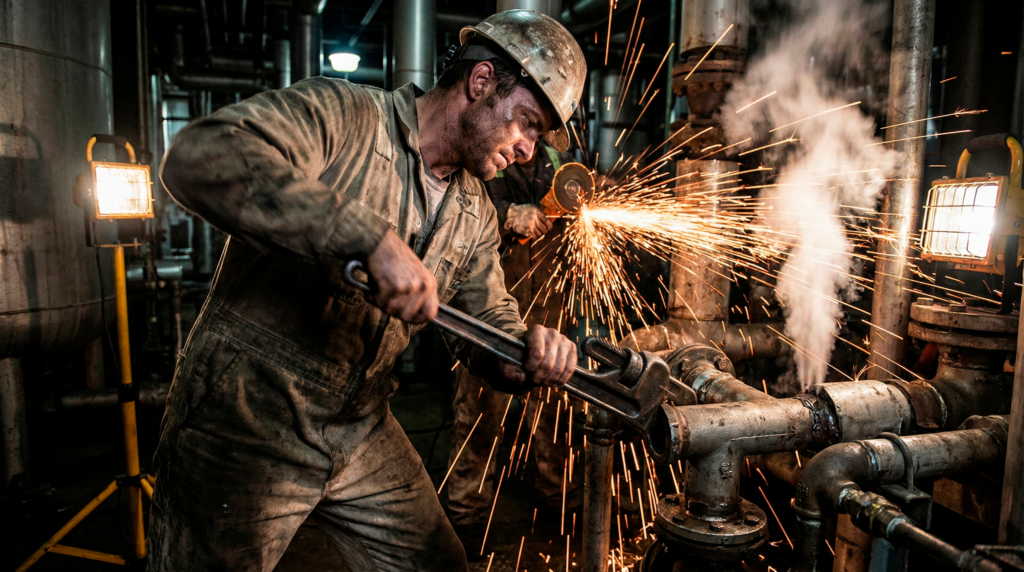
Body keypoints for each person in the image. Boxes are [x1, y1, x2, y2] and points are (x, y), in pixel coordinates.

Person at [149, 10, 586, 572]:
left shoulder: (474, 209)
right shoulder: (347, 117)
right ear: (480, 83)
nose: (529, 150)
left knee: (437, 564)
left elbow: (487, 319)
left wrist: (524, 352)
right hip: (248, 412)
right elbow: (199, 155)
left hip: (358, 422)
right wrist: (365, 237)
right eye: (526, 122)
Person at [446, 141, 582, 556]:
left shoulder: (560, 155)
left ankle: (562, 501)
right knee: (482, 414)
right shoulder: (488, 148)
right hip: (490, 304)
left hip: (550, 305)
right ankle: (465, 518)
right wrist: (507, 216)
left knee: (556, 412)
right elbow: (457, 207)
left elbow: (580, 189)